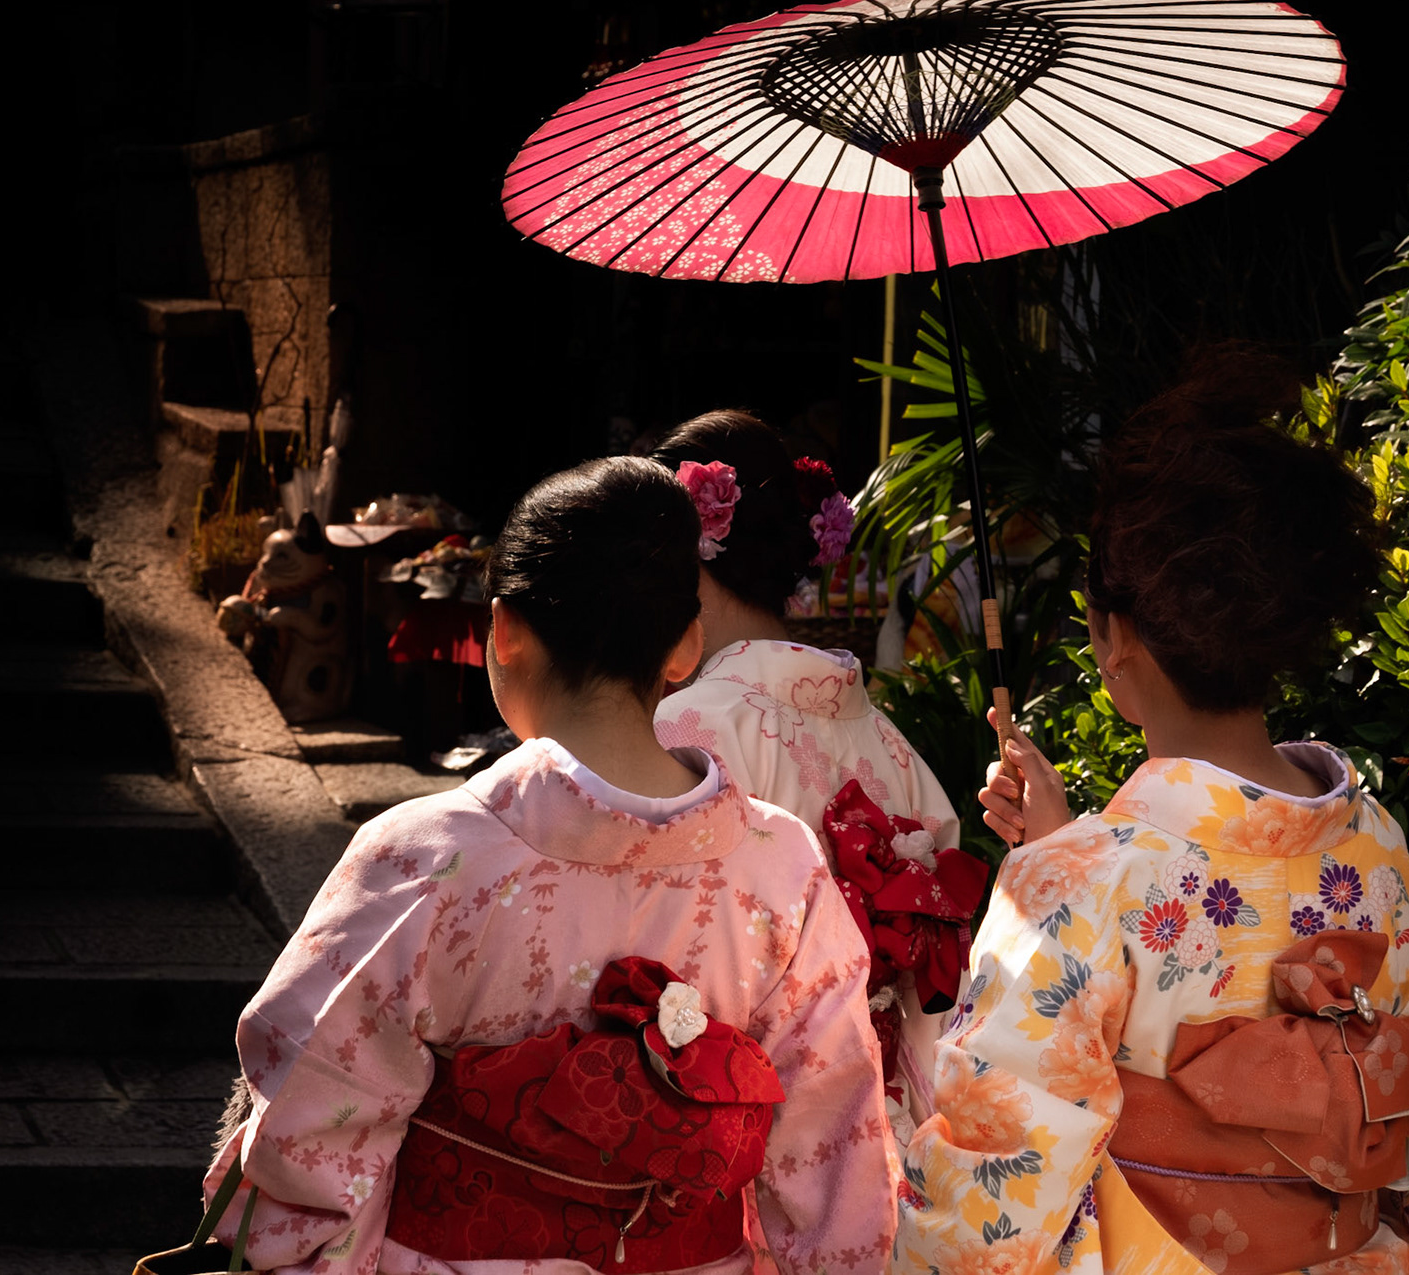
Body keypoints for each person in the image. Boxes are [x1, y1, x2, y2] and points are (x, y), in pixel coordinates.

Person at [204, 456, 899, 1275]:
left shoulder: (427, 855)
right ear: (685, 646)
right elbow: (835, 1147)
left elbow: (307, 1123)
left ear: (504, 631)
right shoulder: (781, 867)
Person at [893, 349, 1409, 1275]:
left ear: (1112, 639)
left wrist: (1062, 865)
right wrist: (1066, 846)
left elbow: (999, 1176)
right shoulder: (1378, 853)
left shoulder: (1081, 881)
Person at [648, 410, 977, 1150]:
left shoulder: (689, 730)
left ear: (683, 553)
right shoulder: (884, 737)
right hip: (876, 1104)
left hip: (746, 1099)